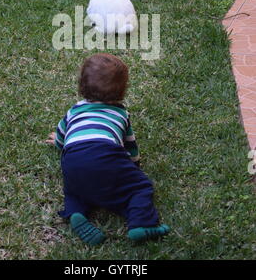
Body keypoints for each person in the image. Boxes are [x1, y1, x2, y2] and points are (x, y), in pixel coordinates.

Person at [46, 53, 169, 245]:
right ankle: (141, 224)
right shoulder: (121, 113)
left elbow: (61, 137)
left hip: (72, 161)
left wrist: (57, 141)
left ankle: (76, 213)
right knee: (139, 187)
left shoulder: (74, 110)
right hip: (105, 155)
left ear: (81, 86)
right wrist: (135, 167)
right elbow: (130, 147)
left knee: (75, 190)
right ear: (122, 90)